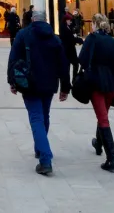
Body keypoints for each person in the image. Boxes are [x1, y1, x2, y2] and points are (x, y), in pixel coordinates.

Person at [7, 11, 70, 176]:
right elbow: (64, 63)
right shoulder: (54, 38)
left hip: (29, 82)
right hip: (49, 83)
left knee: (36, 118)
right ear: (45, 20)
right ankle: (40, 148)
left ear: (33, 19)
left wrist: (12, 81)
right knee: (45, 115)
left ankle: (45, 158)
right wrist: (65, 87)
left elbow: (13, 58)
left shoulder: (23, 34)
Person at [78, 13, 114, 172]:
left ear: (94, 24)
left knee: (103, 119)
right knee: (103, 115)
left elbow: (82, 59)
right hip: (112, 85)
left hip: (97, 83)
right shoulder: (113, 42)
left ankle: (111, 159)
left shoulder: (92, 39)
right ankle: (98, 143)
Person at [59, 10, 83, 78]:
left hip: (70, 49)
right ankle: (72, 80)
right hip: (68, 50)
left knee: (74, 64)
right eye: (69, 20)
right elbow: (70, 38)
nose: (70, 21)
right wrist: (79, 40)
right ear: (66, 20)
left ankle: (73, 79)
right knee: (72, 64)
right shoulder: (64, 29)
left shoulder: (68, 27)